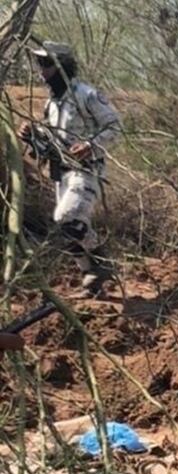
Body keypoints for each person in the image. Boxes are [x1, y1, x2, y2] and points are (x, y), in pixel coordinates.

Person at [18, 41, 121, 299]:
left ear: (61, 66)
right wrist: (32, 137)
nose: (41, 70)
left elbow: (115, 126)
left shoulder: (86, 95)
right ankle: (91, 280)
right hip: (60, 172)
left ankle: (102, 260)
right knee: (65, 227)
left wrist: (90, 144)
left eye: (46, 64)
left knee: (67, 216)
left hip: (85, 170)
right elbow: (48, 144)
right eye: (40, 64)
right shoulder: (51, 105)